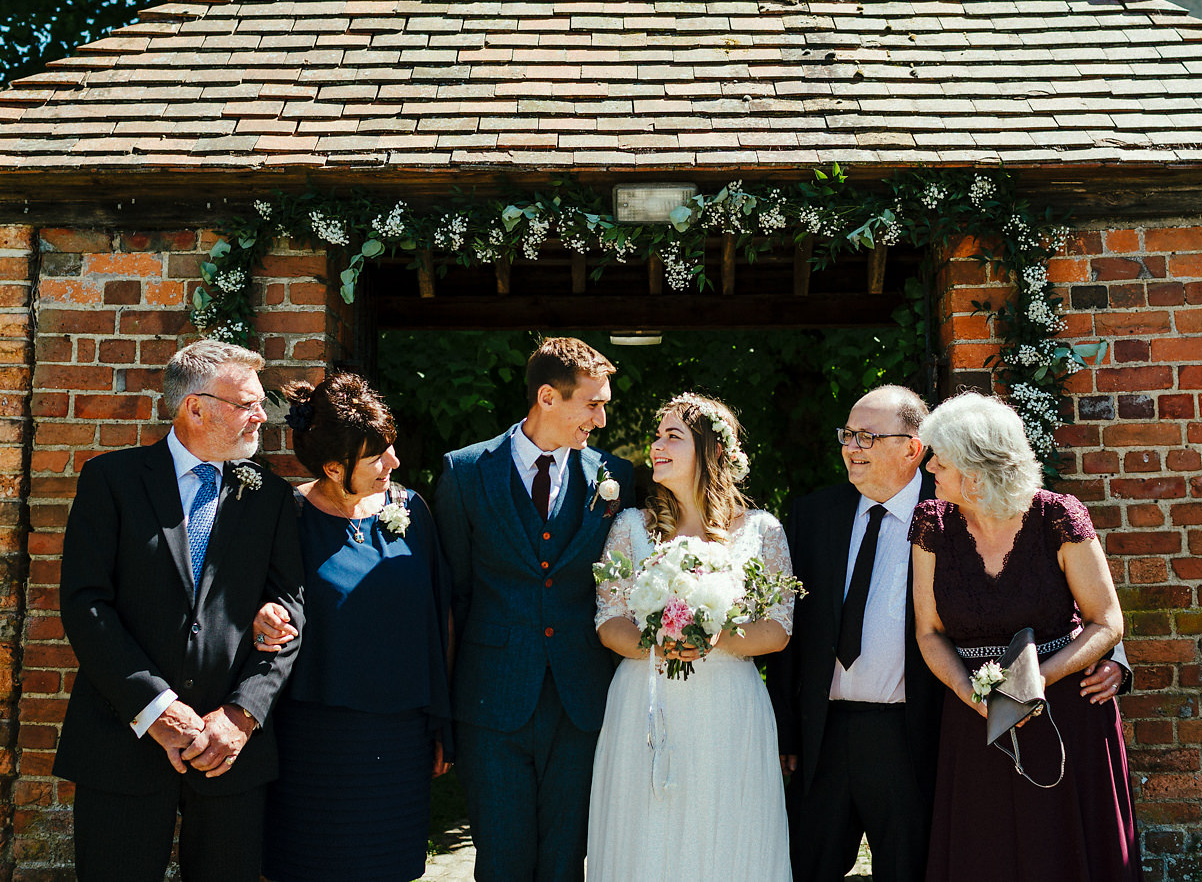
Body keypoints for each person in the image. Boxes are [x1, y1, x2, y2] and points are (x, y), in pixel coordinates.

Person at [768, 385, 1128, 882]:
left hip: (995, 720)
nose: (930, 468)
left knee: (1048, 850)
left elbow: (1098, 615)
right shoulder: (890, 521)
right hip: (914, 722)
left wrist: (1060, 674)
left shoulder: (1044, 515)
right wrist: (971, 691)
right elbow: (915, 631)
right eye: (847, 434)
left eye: (866, 436)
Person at [53, 339, 304, 882]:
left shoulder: (271, 498)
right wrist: (157, 709)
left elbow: (291, 612)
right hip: (122, 738)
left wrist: (240, 717)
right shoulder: (111, 481)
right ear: (196, 407)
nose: (261, 417)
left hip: (229, 751)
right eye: (246, 404)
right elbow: (84, 604)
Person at [910, 392, 1140, 882]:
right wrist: (970, 692)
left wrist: (1032, 685)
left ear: (975, 469)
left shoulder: (1058, 517)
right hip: (975, 716)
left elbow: (1107, 621)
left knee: (1064, 851)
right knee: (984, 852)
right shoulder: (932, 523)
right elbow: (928, 632)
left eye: (941, 460)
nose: (929, 467)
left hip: (1066, 712)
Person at [434, 336, 635, 882]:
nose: (601, 415)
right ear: (548, 396)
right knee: (501, 863)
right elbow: (452, 595)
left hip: (581, 700)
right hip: (490, 701)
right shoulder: (466, 472)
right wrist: (442, 713)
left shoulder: (615, 477)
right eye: (592, 403)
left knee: (566, 862)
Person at [249, 372, 453, 882]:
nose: (394, 463)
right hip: (315, 738)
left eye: (391, 449)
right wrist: (258, 614)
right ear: (334, 467)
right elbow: (241, 598)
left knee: (391, 865)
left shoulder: (411, 509)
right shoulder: (286, 517)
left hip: (400, 735)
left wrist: (439, 722)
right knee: (312, 864)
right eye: (376, 457)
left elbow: (437, 615)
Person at [589, 393, 795, 882]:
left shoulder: (761, 531)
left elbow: (778, 629)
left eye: (672, 436)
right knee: (646, 838)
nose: (656, 445)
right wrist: (656, 642)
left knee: (729, 836)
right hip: (646, 701)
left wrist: (717, 635)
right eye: (658, 435)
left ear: (713, 452)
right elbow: (608, 620)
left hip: (729, 710)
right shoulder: (630, 527)